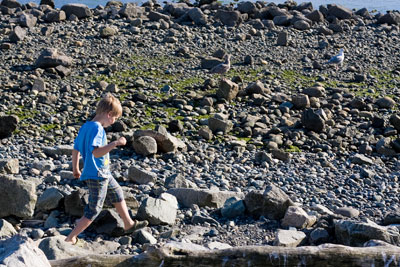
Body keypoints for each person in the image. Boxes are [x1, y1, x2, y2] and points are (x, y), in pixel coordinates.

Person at [65, 93, 148, 245]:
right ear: (109, 115)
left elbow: (76, 149)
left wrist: (76, 168)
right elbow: (96, 152)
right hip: (97, 174)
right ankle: (71, 237)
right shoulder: (98, 129)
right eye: (115, 118)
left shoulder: (85, 126)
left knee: (117, 192)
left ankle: (128, 223)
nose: (114, 121)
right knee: (94, 209)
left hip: (102, 173)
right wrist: (115, 143)